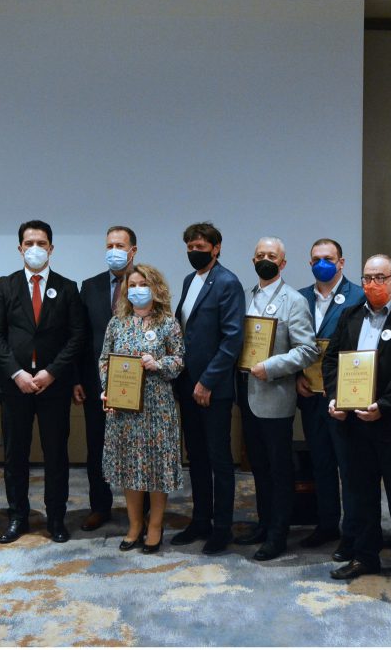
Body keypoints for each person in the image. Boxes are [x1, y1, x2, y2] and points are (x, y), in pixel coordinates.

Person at [325, 254, 391, 595]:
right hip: (355, 424)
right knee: (361, 497)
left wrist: (384, 405)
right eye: (367, 278)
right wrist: (335, 398)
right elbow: (331, 361)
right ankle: (365, 556)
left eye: (380, 277)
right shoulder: (350, 315)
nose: (372, 284)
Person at [0, 220, 86, 545]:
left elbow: (76, 336)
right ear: (20, 248)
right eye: (29, 243)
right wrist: (17, 373)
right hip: (15, 385)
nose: (35, 249)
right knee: (14, 455)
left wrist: (52, 372)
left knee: (56, 454)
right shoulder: (6, 285)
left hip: (53, 385)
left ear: (51, 249)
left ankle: (56, 518)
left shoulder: (67, 287)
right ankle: (18, 517)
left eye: (41, 243)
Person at [236, 236, 317, 561]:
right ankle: (264, 523)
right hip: (247, 395)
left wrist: (270, 367)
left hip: (276, 395)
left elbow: (307, 349)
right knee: (258, 466)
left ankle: (278, 534)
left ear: (282, 263)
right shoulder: (244, 297)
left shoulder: (293, 301)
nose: (265, 260)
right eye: (260, 255)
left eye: (272, 255)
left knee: (279, 469)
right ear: (253, 260)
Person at [99, 264, 184, 554]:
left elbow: (179, 361)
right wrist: (107, 389)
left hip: (157, 407)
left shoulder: (168, 323)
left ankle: (156, 525)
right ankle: (135, 525)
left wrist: (158, 363)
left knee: (156, 467)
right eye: (132, 285)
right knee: (129, 467)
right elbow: (104, 360)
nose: (137, 290)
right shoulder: (117, 323)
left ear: (155, 288)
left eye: (143, 284)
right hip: (124, 408)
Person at [171, 222, 245, 555]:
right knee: (196, 457)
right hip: (188, 384)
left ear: (216, 248)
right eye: (190, 248)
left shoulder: (228, 282)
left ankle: (222, 528)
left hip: (212, 388)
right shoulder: (190, 280)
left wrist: (207, 381)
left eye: (200, 247)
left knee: (219, 459)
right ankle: (200, 519)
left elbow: (232, 339)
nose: (194, 252)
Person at [295, 238, 364, 560]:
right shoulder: (300, 297)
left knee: (348, 468)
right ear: (309, 264)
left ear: (341, 262)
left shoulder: (358, 296)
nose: (322, 263)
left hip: (343, 398)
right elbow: (292, 343)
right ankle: (326, 525)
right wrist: (297, 375)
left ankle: (352, 533)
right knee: (321, 463)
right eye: (316, 259)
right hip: (310, 395)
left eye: (328, 258)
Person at [74, 226, 138, 532]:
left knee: (136, 449)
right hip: (95, 381)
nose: (114, 251)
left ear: (132, 251)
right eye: (109, 245)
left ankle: (141, 512)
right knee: (97, 447)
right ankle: (100, 506)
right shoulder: (90, 286)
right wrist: (76, 378)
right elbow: (80, 336)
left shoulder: (146, 284)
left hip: (137, 383)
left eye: (120, 246)